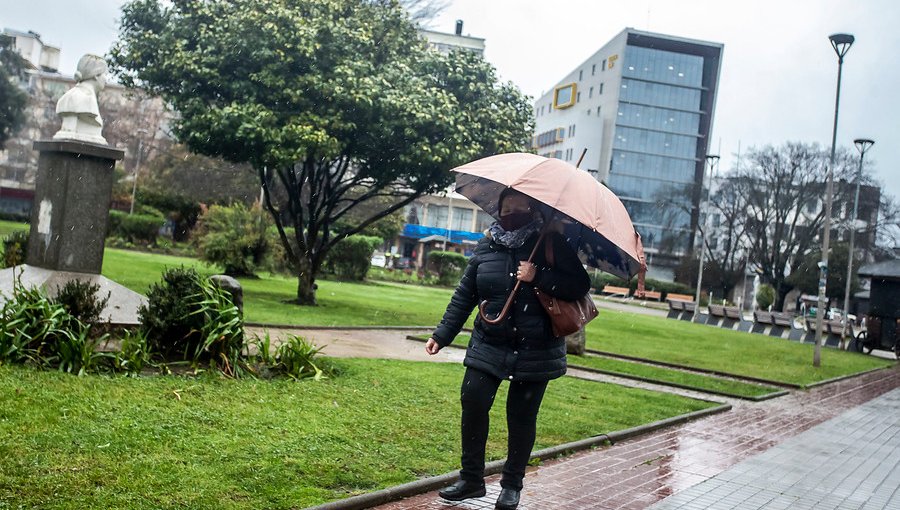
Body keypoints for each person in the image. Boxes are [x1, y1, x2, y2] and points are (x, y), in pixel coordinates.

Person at [425, 188, 590, 510]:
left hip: (536, 347)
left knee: (521, 416)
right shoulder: (488, 244)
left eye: (520, 207)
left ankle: (511, 485)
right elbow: (465, 293)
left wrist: (538, 275)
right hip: (489, 341)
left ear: (535, 211)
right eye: (506, 206)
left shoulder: (550, 243)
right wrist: (442, 334)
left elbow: (579, 286)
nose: (511, 212)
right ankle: (471, 480)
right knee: (473, 402)